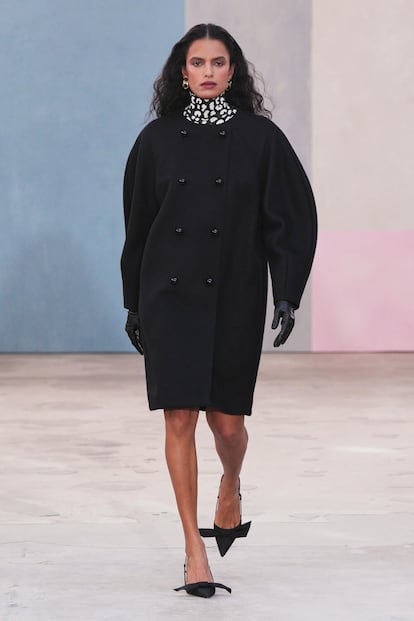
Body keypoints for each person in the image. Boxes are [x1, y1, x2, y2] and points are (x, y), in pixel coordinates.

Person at [120, 23, 317, 598]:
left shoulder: (261, 138)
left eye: (219, 62)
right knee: (179, 417)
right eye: (197, 62)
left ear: (234, 72)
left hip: (234, 291)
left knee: (227, 423)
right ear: (181, 72)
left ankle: (230, 483)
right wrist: (134, 301)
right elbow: (138, 226)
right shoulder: (155, 140)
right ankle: (194, 550)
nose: (208, 72)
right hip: (168, 294)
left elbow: (289, 216)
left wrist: (286, 289)